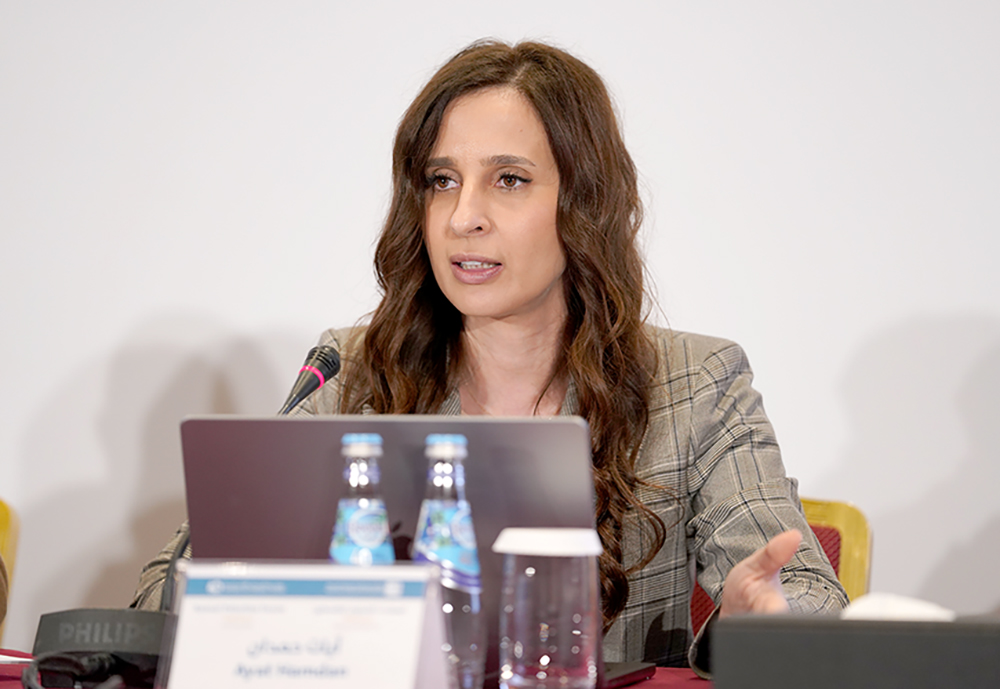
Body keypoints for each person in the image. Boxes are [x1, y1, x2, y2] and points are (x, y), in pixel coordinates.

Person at [131, 39, 847, 674]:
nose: (463, 216)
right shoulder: (355, 374)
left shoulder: (695, 384)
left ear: (585, 202)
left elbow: (810, 594)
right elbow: (161, 595)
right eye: (441, 180)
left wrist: (756, 624)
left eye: (509, 179)